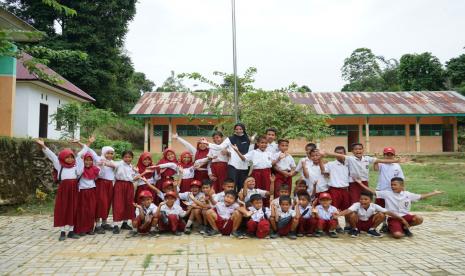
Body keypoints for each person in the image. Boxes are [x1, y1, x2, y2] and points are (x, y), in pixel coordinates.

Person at [36, 139, 86, 240]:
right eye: (67, 157)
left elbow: (83, 152)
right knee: (63, 208)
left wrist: (84, 145)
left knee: (73, 208)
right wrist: (43, 146)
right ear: (62, 158)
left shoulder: (76, 166)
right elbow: (52, 156)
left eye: (71, 157)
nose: (70, 159)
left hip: (73, 189)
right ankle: (62, 232)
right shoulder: (59, 165)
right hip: (64, 189)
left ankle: (71, 231)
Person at [321, 143, 403, 205]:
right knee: (354, 201)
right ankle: (355, 224)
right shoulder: (350, 159)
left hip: (364, 182)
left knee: (365, 200)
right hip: (353, 183)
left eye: (360, 149)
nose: (358, 151)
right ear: (352, 151)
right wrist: (327, 153)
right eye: (356, 149)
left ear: (363, 150)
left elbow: (382, 161)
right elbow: (339, 155)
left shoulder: (367, 159)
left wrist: (395, 161)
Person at [362, 177, 443, 239]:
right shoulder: (387, 193)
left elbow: (421, 196)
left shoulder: (407, 194)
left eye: (395, 185)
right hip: (393, 218)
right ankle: (392, 228)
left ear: (402, 185)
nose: (392, 186)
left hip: (405, 216)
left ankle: (404, 227)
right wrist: (360, 183)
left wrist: (435, 193)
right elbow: (372, 191)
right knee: (398, 236)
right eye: (392, 185)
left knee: (419, 218)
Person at [200, 123, 252, 191]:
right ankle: (231, 200)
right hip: (233, 166)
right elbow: (219, 147)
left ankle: (240, 200)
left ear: (243, 130)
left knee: (241, 186)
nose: (238, 131)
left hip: (244, 166)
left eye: (240, 129)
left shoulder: (248, 139)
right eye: (236, 129)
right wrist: (207, 143)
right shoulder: (230, 139)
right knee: (232, 185)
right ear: (234, 130)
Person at [337, 190, 408, 238]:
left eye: (365, 199)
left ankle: (372, 230)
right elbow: (347, 211)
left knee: (382, 214)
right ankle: (354, 229)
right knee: (351, 214)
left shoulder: (374, 206)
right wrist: (338, 215)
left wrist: (401, 219)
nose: (362, 201)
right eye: (361, 199)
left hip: (368, 224)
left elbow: (388, 212)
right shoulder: (356, 205)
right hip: (358, 223)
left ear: (370, 200)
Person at [232, 135, 279, 206]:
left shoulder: (269, 153)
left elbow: (271, 163)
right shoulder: (253, 152)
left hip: (267, 173)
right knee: (256, 190)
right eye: (262, 143)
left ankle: (265, 207)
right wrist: (237, 150)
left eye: (265, 143)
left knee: (266, 190)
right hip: (256, 174)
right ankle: (254, 206)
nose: (264, 144)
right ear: (258, 144)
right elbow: (244, 158)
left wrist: (279, 159)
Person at [86, 143, 116, 234]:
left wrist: (108, 164)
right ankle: (97, 225)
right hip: (101, 184)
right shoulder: (99, 160)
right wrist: (87, 143)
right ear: (103, 153)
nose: (110, 155)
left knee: (107, 203)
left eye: (111, 153)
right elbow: (90, 151)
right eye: (108, 153)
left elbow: (115, 166)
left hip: (110, 185)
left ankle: (104, 223)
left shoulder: (113, 162)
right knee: (100, 204)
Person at [322, 146, 351, 232]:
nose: (339, 155)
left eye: (341, 153)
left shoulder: (349, 163)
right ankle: (337, 225)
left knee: (346, 207)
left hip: (345, 189)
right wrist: (321, 160)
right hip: (334, 189)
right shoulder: (330, 164)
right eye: (337, 153)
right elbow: (323, 171)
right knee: (334, 208)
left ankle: (348, 224)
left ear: (345, 154)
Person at [74, 150, 100, 236]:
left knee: (91, 210)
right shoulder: (80, 170)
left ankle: (89, 228)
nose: (88, 162)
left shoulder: (95, 169)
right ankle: (81, 229)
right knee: (82, 211)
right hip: (82, 192)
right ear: (83, 160)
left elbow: (96, 179)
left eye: (90, 160)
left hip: (92, 191)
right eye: (86, 160)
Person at [112, 150, 137, 234]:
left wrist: (136, 172)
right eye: (126, 157)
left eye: (129, 157)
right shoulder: (118, 164)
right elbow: (111, 164)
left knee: (128, 203)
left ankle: (125, 223)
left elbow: (133, 177)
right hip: (119, 185)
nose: (127, 158)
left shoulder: (131, 167)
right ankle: (115, 225)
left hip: (129, 185)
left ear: (132, 158)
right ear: (122, 157)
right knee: (118, 204)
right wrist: (105, 162)